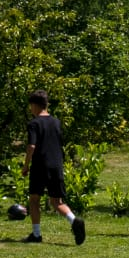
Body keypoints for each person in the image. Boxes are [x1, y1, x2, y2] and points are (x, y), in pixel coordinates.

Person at [22, 90, 85, 246]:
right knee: (56, 201)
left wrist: (26, 165)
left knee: (34, 199)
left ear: (35, 105)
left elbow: (31, 145)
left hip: (40, 165)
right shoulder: (56, 122)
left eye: (31, 106)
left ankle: (36, 235)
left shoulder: (34, 123)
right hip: (56, 164)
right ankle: (73, 220)